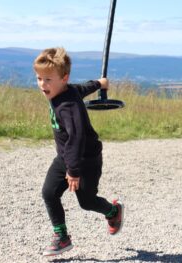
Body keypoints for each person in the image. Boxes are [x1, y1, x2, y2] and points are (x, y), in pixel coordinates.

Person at [33, 47, 124, 257]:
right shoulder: (67, 90)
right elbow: (81, 88)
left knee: (87, 202)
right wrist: (98, 84)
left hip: (86, 160)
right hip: (66, 157)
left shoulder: (68, 106)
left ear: (63, 78)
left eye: (48, 79)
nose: (42, 85)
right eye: (39, 78)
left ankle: (113, 211)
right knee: (49, 192)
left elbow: (77, 138)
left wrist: (73, 170)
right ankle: (61, 237)